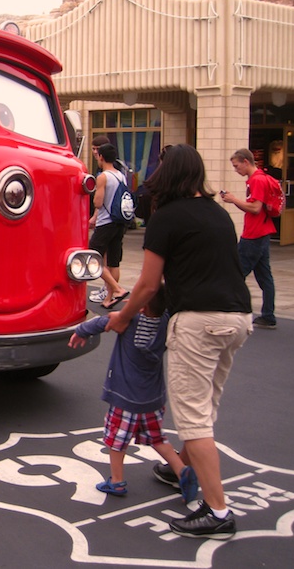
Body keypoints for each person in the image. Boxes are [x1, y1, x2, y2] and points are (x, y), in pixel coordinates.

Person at [107, 144, 251, 540]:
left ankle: (218, 511)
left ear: (167, 175)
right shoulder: (218, 214)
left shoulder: (166, 217)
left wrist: (121, 317)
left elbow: (149, 284)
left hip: (198, 322)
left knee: (192, 418)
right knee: (206, 404)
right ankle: (177, 469)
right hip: (237, 316)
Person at [70, 285, 196, 501]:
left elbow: (103, 321)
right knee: (157, 438)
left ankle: (117, 481)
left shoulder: (129, 322)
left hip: (125, 396)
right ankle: (181, 469)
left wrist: (81, 332)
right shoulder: (165, 322)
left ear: (141, 306)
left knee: (116, 440)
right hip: (152, 397)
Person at [220, 148, 277, 329]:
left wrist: (233, 199)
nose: (236, 170)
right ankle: (268, 315)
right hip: (263, 232)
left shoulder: (257, 180)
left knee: (235, 273)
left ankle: (231, 309)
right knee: (264, 276)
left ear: (246, 161)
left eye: (237, 166)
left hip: (253, 235)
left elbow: (255, 208)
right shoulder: (260, 178)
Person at [89, 143, 129, 309]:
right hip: (120, 222)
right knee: (113, 261)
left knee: (93, 256)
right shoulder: (121, 175)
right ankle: (109, 298)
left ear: (101, 157)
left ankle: (117, 289)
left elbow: (98, 202)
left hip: (106, 222)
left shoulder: (103, 177)